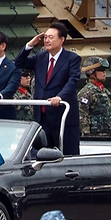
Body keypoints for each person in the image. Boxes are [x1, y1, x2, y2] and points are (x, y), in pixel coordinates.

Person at [15, 23, 82, 154]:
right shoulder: (41, 57)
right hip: (42, 116)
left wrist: (60, 97)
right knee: (41, 155)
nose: (47, 40)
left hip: (62, 116)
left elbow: (73, 81)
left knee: (67, 154)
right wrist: (30, 45)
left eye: (51, 37)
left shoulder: (72, 59)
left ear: (61, 40)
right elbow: (19, 63)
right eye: (45, 37)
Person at [77, 57, 111, 138]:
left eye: (104, 70)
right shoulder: (85, 93)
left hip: (108, 136)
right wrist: (87, 136)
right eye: (101, 70)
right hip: (96, 138)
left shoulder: (104, 91)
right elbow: (82, 117)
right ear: (91, 72)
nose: (104, 72)